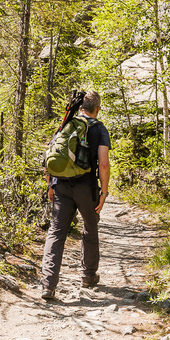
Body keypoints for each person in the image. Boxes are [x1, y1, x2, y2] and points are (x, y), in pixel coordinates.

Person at [41, 90, 111, 300]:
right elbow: (104, 163)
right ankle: (88, 276)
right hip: (86, 186)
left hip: (61, 185)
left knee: (56, 232)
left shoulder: (67, 124)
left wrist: (51, 185)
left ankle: (48, 285)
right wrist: (104, 193)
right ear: (97, 108)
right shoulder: (99, 129)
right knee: (90, 227)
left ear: (81, 108)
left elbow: (50, 156)